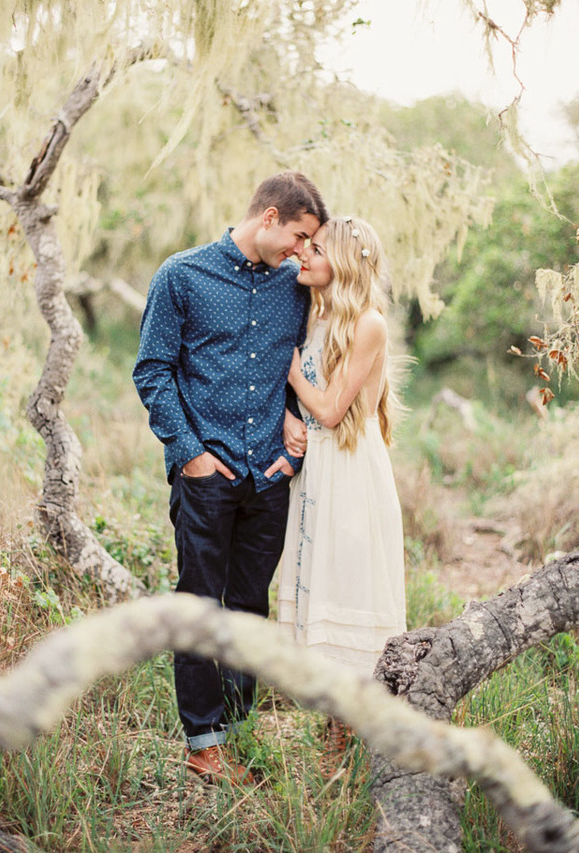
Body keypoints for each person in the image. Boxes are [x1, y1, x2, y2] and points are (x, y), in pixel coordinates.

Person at [133, 171, 328, 785]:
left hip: (268, 475)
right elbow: (152, 372)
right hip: (205, 472)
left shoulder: (294, 291)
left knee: (248, 605)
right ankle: (203, 743)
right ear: (269, 217)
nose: (302, 250)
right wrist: (190, 453)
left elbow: (301, 369)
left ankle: (236, 728)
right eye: (298, 236)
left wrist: (292, 449)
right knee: (199, 604)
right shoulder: (182, 275)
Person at [277, 215, 407, 768]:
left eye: (317, 249)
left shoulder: (368, 324)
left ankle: (355, 747)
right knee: (318, 585)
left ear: (346, 264)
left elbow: (330, 409)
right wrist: (287, 417)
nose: (303, 254)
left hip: (350, 471)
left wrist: (287, 370)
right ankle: (336, 746)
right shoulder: (317, 311)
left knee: (349, 590)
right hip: (316, 471)